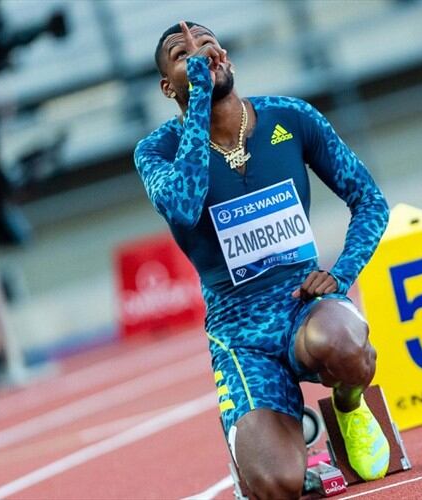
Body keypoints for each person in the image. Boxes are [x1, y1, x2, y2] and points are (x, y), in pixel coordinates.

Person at [134, 21, 390, 499]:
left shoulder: (291, 116)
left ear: (225, 58)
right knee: (278, 486)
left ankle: (350, 408)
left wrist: (341, 274)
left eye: (207, 43)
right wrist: (199, 101)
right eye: (181, 54)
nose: (199, 52)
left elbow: (370, 201)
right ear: (168, 87)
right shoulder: (156, 151)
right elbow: (183, 206)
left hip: (304, 304)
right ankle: (257, 440)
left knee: (343, 343)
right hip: (239, 333)